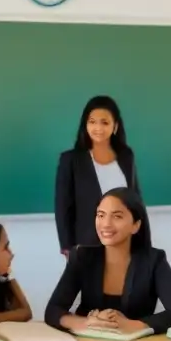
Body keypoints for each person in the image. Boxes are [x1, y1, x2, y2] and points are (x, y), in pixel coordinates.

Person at [46, 188, 171, 335]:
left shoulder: (154, 260)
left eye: (117, 217)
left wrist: (134, 325)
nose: (106, 224)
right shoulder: (82, 256)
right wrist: (85, 322)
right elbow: (53, 310)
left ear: (135, 225)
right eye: (100, 215)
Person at [54, 95, 145, 255]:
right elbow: (63, 207)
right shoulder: (71, 160)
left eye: (105, 122)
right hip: (87, 245)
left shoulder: (126, 156)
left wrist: (143, 239)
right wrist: (68, 248)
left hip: (126, 244)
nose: (98, 128)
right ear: (85, 124)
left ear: (115, 126)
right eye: (92, 121)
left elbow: (136, 200)